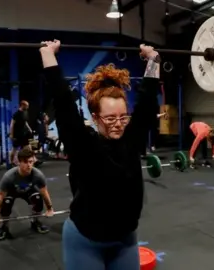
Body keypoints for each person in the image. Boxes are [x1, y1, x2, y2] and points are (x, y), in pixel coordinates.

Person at [40, 39, 159, 270]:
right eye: (110, 118)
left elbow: (146, 101)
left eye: (122, 117)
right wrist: (48, 53)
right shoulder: (83, 144)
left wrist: (153, 58)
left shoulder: (131, 140)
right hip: (85, 240)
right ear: (95, 117)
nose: (118, 124)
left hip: (125, 239)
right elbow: (63, 102)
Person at [0, 146, 54, 240]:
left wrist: (50, 208)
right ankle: (4, 226)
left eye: (31, 162)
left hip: (28, 191)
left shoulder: (38, 175)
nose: (29, 165)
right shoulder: (9, 176)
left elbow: (44, 192)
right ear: (18, 162)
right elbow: (0, 196)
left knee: (38, 198)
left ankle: (35, 221)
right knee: (6, 201)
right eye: (25, 162)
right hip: (12, 192)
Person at [9, 100, 33, 164]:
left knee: (28, 148)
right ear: (22, 105)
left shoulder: (25, 112)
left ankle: (32, 161)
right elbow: (12, 125)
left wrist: (30, 129)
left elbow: (25, 122)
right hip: (17, 134)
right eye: (27, 106)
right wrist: (11, 134)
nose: (28, 107)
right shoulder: (16, 114)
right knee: (14, 149)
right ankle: (11, 162)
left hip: (24, 134)